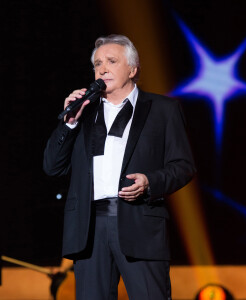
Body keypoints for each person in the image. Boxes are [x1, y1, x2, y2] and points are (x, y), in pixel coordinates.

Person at [43, 34, 196, 300]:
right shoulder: (83, 113)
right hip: (89, 229)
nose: (102, 69)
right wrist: (69, 123)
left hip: (140, 224)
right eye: (97, 63)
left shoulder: (163, 109)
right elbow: (52, 167)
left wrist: (150, 181)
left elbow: (183, 166)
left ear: (132, 69)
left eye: (111, 61)